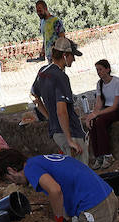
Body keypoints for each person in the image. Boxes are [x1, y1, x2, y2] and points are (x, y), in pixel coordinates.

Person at [31, 36, 88, 164]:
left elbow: (34, 95)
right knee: (81, 172)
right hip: (70, 132)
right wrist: (69, 140)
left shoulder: (42, 72)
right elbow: (61, 111)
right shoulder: (61, 77)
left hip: (55, 131)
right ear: (65, 55)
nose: (73, 59)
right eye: (72, 55)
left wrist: (49, 117)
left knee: (70, 169)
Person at [83, 59, 119, 170]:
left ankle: (107, 155)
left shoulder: (117, 82)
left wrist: (97, 114)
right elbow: (99, 103)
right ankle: (98, 155)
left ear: (108, 69)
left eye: (101, 69)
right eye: (97, 70)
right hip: (108, 108)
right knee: (93, 123)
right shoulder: (100, 84)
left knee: (100, 121)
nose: (99, 72)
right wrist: (91, 115)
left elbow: (115, 106)